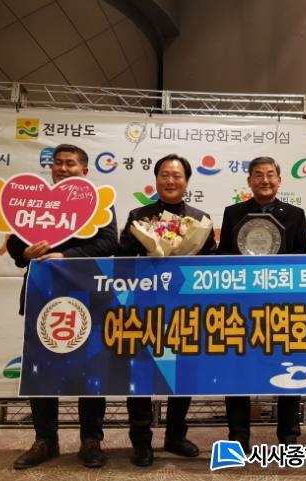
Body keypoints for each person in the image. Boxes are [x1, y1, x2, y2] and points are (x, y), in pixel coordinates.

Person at [8, 144, 118, 469]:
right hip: (42, 294)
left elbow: (108, 243)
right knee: (41, 370)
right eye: (58, 163)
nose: (63, 168)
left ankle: (91, 440)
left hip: (87, 296)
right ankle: (45, 440)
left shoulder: (99, 203)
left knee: (92, 372)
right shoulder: (35, 202)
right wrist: (24, 253)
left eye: (70, 163)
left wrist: (65, 256)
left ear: (85, 171)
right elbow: (15, 242)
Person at [119, 154, 216, 467]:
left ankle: (175, 435)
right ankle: (141, 441)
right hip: (143, 308)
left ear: (186, 182)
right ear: (156, 179)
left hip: (184, 308)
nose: (170, 180)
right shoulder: (138, 217)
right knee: (140, 373)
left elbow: (211, 264)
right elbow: (122, 259)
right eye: (164, 174)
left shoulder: (200, 220)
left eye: (176, 175)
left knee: (182, 372)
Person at [217, 156, 306, 452]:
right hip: (242, 306)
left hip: (283, 305)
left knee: (289, 368)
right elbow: (223, 255)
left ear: (279, 180)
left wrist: (276, 263)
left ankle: (289, 436)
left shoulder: (295, 214)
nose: (265, 180)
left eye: (271, 174)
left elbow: (304, 256)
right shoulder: (233, 213)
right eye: (258, 175)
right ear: (249, 181)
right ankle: (238, 436)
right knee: (238, 371)